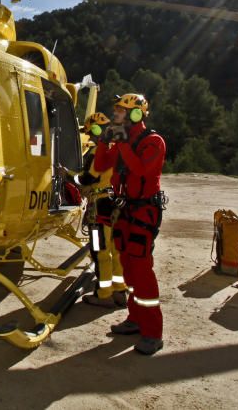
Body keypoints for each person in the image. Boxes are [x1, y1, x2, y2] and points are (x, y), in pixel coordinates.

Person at [93, 93, 166, 356]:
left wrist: (121, 143)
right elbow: (100, 164)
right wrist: (104, 142)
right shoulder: (123, 141)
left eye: (121, 111)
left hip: (144, 211)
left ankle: (153, 332)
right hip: (123, 210)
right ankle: (135, 319)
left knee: (142, 270)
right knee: (128, 268)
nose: (116, 115)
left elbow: (141, 170)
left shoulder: (153, 142)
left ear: (136, 115)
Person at [78, 112, 128, 309]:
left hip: (100, 206)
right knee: (116, 250)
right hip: (118, 204)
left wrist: (68, 176)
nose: (90, 138)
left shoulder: (98, 153)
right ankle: (119, 291)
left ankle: (103, 293)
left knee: (100, 250)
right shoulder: (120, 149)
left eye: (91, 134)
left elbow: (87, 179)